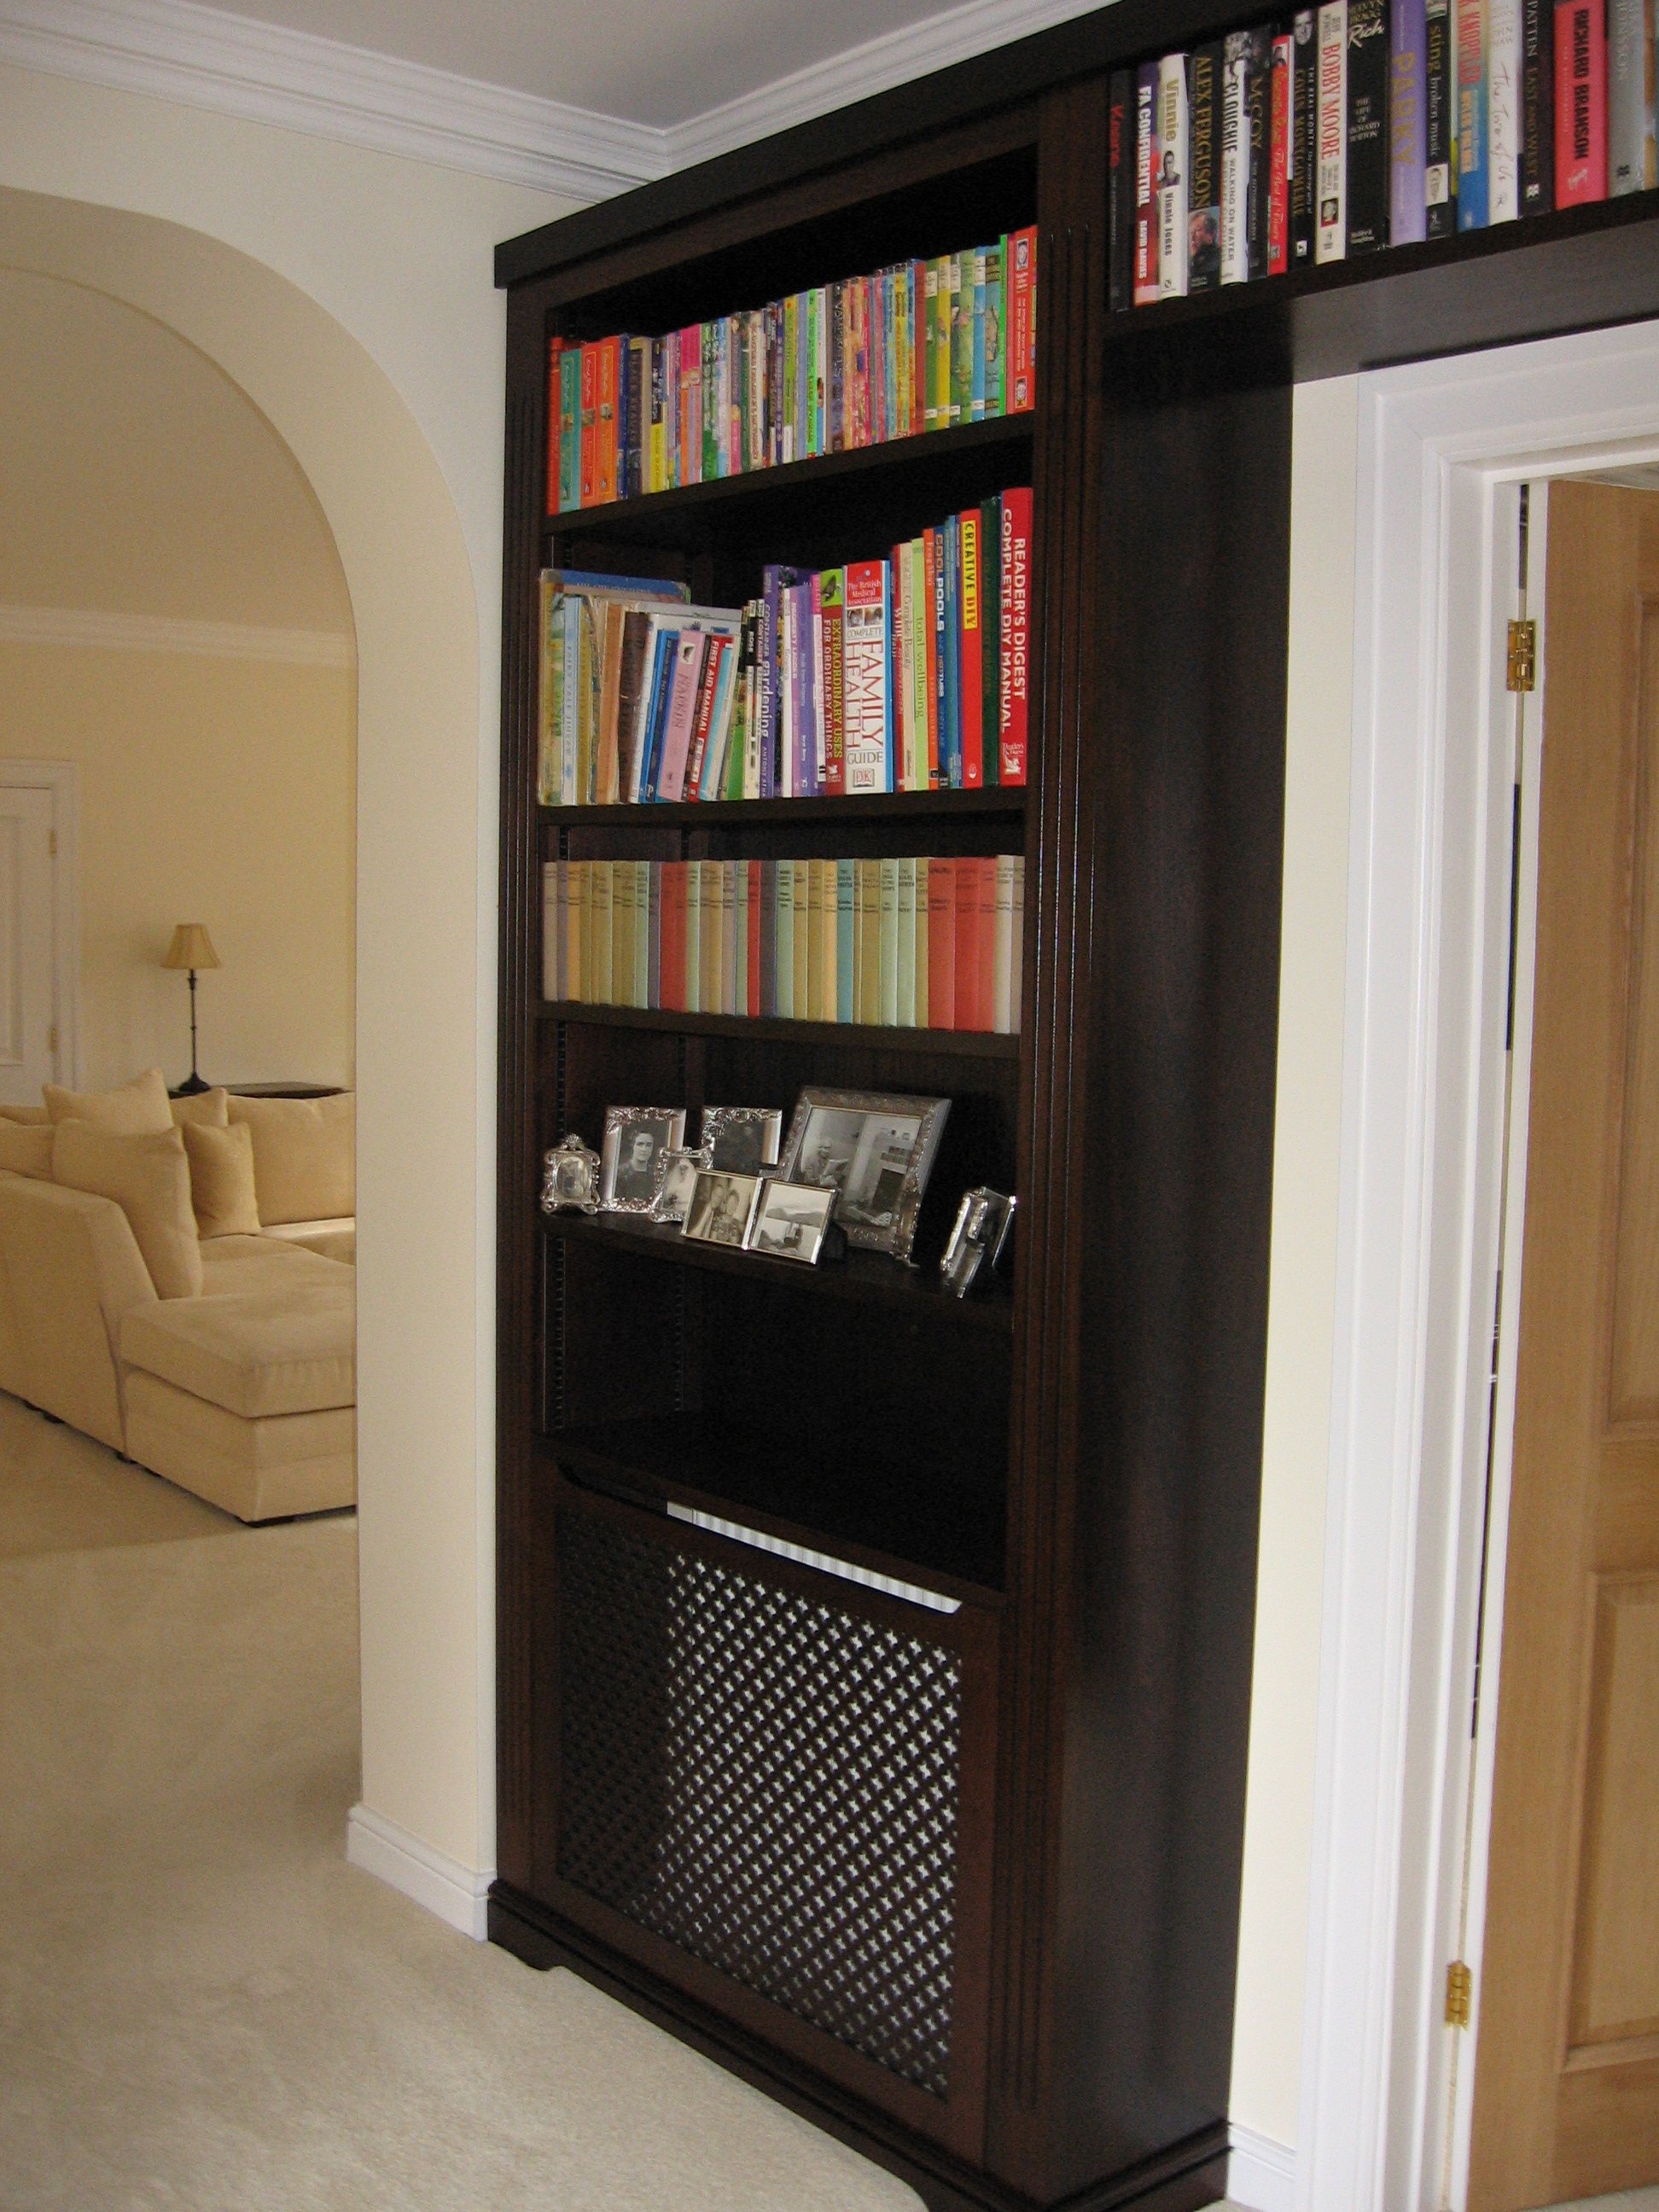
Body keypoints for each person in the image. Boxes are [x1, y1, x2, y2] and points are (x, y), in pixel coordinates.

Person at [613, 1125, 659, 1202]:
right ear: (633, 1146)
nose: (644, 1149)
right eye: (640, 1144)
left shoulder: (656, 1174)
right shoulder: (620, 1174)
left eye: (648, 1145)